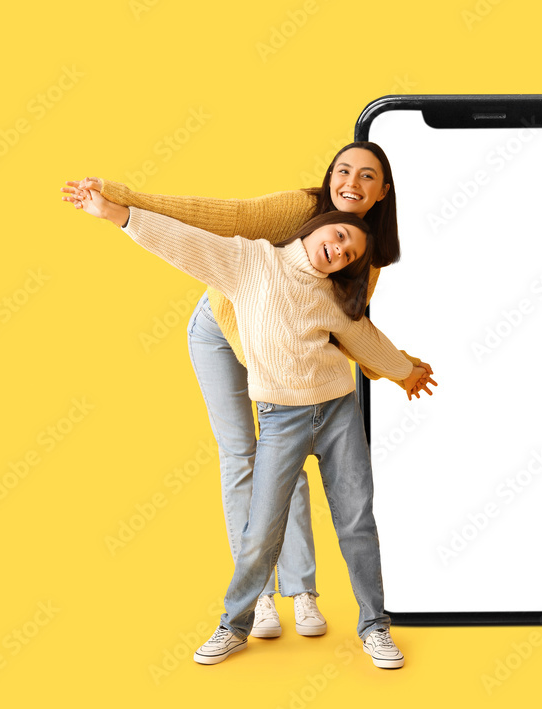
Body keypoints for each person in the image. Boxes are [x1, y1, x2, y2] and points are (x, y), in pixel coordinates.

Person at [61, 143, 431, 639]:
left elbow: (340, 330)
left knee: (291, 461)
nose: (352, 183)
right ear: (330, 175)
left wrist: (397, 366)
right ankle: (257, 599)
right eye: (344, 171)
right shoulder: (302, 210)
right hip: (221, 327)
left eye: (367, 177)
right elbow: (220, 217)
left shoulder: (363, 255)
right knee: (242, 454)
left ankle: (301, 591)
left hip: (278, 354)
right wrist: (120, 200)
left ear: (383, 192)